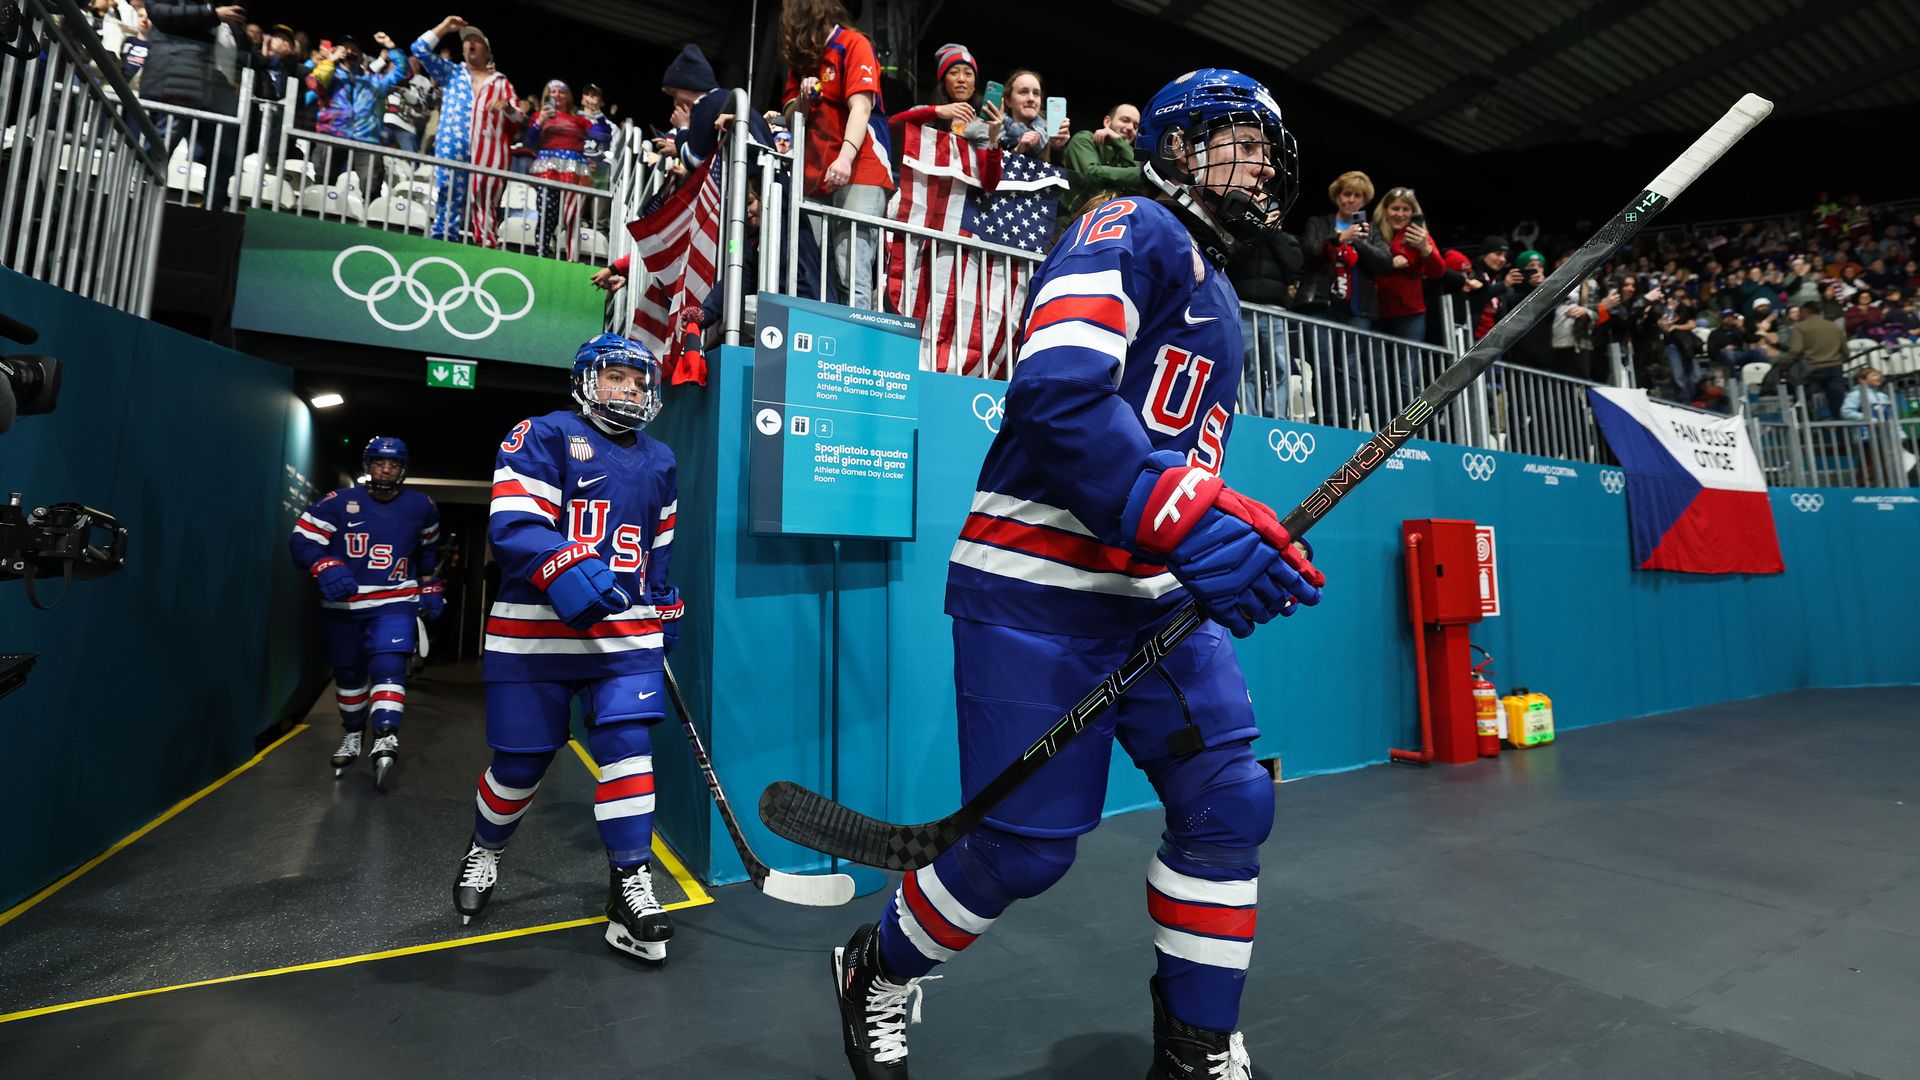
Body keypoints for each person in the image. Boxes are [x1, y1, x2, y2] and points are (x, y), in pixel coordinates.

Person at [828, 68, 1325, 1080]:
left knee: (1232, 804)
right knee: (1024, 851)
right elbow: (1058, 397)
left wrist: (1223, 521)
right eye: (1239, 139)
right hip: (1037, 589)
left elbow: (1177, 463)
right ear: (1179, 146)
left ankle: (1195, 1046)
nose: (1261, 162)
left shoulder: (1218, 281)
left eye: (1267, 147)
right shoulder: (1127, 226)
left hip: (1152, 596)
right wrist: (1188, 518)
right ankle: (873, 970)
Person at [455, 335, 685, 967]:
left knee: (628, 749)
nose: (631, 390)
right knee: (520, 767)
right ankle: (487, 849)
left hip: (622, 637)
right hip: (534, 634)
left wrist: (663, 599)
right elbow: (517, 525)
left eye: (638, 382)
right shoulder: (541, 434)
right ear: (586, 380)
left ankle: (630, 882)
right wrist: (569, 569)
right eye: (616, 377)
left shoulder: (661, 459)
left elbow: (658, 546)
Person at [288, 437, 443, 791]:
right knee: (348, 675)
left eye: (392, 464)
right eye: (378, 462)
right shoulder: (338, 503)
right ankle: (354, 734)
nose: (385, 469)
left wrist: (431, 584)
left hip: (394, 600)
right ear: (367, 465)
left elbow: (429, 548)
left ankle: (386, 734)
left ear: (403, 469)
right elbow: (302, 539)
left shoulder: (421, 506)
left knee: (389, 665)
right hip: (344, 605)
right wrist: (322, 563)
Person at [780, 0, 894, 310]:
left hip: (861, 169)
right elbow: (792, 116)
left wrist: (845, 157)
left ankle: (854, 353)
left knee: (851, 267)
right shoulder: (802, 59)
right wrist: (803, 99)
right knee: (817, 273)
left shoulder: (852, 44)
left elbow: (862, 106)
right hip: (815, 179)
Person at [412, 15, 523, 247]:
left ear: (487, 52)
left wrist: (507, 106)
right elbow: (419, 49)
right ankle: (442, 245)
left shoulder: (501, 82)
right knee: (448, 195)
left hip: (488, 152)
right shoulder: (452, 72)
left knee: (486, 202)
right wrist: (445, 27)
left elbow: (519, 117)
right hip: (452, 146)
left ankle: (485, 248)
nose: (470, 43)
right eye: (466, 40)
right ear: (462, 50)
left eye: (477, 40)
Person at [1293, 171, 1392, 425]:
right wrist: (1338, 239)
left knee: (1349, 368)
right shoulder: (1319, 222)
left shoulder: (1369, 232)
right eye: (1347, 194)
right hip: (1320, 303)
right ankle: (1327, 421)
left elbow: (1385, 263)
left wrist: (1359, 242)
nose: (1351, 200)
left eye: (1357, 196)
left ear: (1364, 201)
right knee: (1323, 365)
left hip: (1358, 309)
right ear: (1337, 196)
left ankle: (1348, 422)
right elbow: (1307, 251)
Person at [886, 42, 1002, 152]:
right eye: (954, 73)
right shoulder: (924, 114)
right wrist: (936, 111)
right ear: (943, 82)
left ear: (974, 85)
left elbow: (989, 173)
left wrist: (994, 140)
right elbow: (891, 126)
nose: (961, 79)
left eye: (968, 74)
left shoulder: (981, 126)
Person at [525, 80, 594, 260]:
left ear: (568, 96)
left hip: (574, 170)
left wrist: (597, 115)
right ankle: (541, 253)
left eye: (561, 92)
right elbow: (529, 142)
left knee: (572, 216)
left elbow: (602, 135)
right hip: (548, 169)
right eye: (553, 92)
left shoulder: (578, 119)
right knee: (547, 212)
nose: (557, 95)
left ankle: (572, 258)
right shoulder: (539, 116)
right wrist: (540, 120)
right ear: (547, 95)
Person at [1060, 102, 1144, 221]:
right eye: (1125, 120)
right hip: (1070, 222)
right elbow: (1090, 174)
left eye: (1136, 126)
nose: (1131, 128)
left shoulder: (1125, 155)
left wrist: (1119, 142)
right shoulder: (1085, 139)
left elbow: (1143, 175)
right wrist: (1128, 178)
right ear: (1107, 122)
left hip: (1105, 225)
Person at [996, 68, 1070, 164]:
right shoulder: (993, 130)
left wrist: (1056, 148)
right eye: (1023, 92)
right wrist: (1017, 151)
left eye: (1036, 93)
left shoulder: (1050, 135)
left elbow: (1056, 174)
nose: (1031, 98)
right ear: (1008, 100)